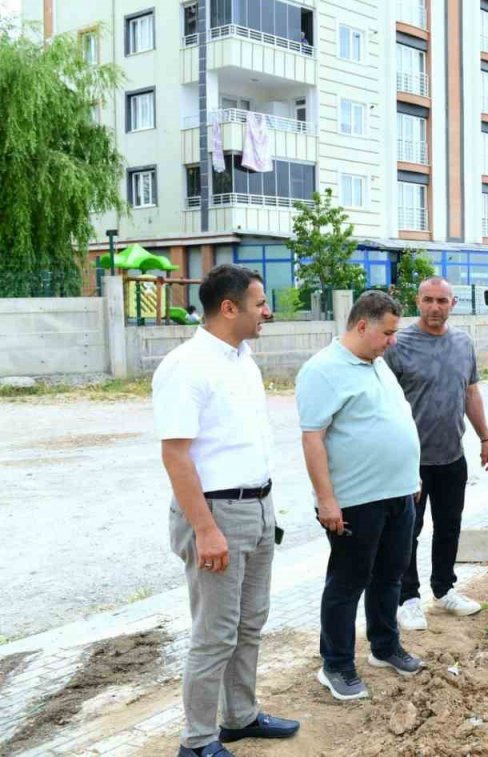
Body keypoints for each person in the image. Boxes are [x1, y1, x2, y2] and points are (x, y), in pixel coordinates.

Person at [152, 265, 299, 757]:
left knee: (250, 622)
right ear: (229, 308)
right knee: (214, 633)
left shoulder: (244, 359)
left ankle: (239, 717)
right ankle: (196, 742)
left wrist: (267, 509)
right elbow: (176, 455)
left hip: (258, 508)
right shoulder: (186, 366)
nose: (268, 311)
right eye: (260, 303)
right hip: (216, 514)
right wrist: (205, 529)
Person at [297, 291, 423, 702]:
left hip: (398, 493)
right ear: (362, 325)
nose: (392, 341)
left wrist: (410, 475)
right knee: (348, 582)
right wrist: (326, 500)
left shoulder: (378, 365)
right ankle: (335, 665)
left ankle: (384, 647)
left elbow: (394, 422)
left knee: (390, 574)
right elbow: (313, 438)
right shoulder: (323, 370)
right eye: (387, 333)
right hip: (354, 500)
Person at [384, 278, 488, 631]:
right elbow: (383, 404)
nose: (435, 307)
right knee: (407, 531)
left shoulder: (463, 343)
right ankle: (408, 598)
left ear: (454, 303)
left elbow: (471, 393)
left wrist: (485, 437)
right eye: (428, 300)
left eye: (442, 301)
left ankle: (444, 589)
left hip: (451, 457)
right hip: (410, 461)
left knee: (449, 526)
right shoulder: (398, 345)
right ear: (417, 301)